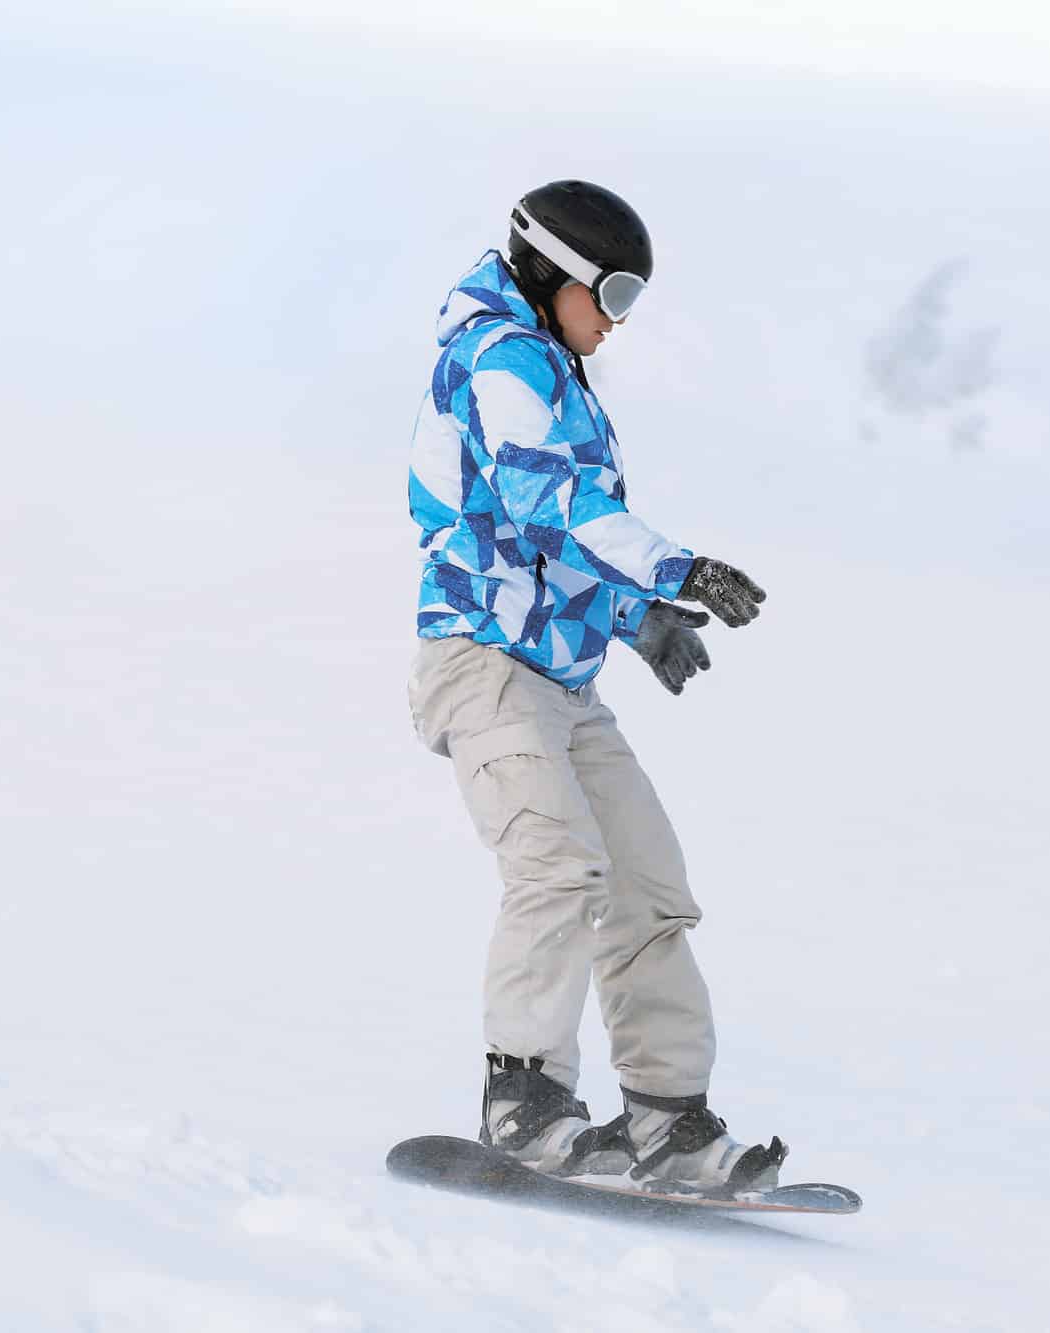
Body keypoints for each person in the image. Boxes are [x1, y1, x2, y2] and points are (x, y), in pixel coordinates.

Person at [405, 179, 783, 1196]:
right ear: (552, 273)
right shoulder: (500, 358)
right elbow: (544, 500)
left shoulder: (552, 372)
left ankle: (668, 1116)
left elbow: (544, 540)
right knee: (559, 869)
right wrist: (673, 570)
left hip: (561, 683)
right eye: (611, 292)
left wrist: (631, 617)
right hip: (485, 665)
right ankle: (523, 1097)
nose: (617, 318)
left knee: (646, 889)